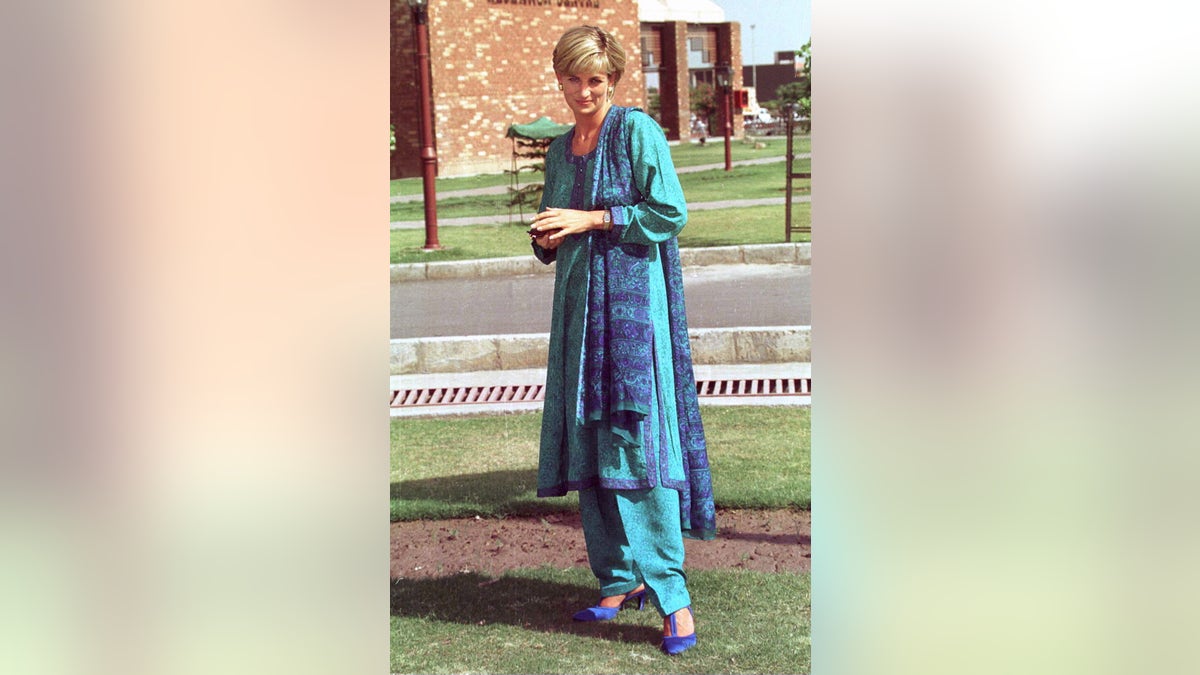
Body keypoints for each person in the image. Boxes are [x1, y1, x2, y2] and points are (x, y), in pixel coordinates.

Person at [527, 25, 715, 657]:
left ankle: (675, 600)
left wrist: (593, 218)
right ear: (559, 79)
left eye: (596, 81)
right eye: (573, 79)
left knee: (636, 445)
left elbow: (669, 212)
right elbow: (558, 228)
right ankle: (616, 579)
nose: (584, 92)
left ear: (613, 81)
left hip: (632, 314)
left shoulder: (636, 132)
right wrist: (548, 237)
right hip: (579, 315)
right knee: (588, 444)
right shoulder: (559, 151)